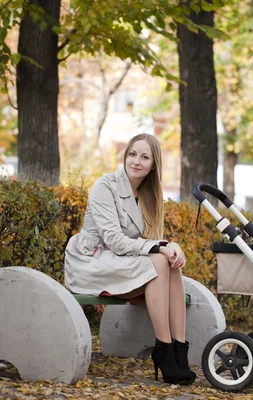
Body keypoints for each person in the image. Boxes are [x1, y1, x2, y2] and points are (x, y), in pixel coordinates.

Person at [64, 133, 195, 385]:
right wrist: (162, 247)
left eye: (144, 157)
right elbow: (114, 241)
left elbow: (150, 239)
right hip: (92, 260)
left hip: (118, 261)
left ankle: (179, 352)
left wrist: (171, 246)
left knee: (169, 263)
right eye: (133, 154)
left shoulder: (149, 195)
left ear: (154, 164)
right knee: (159, 259)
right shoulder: (106, 185)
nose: (136, 161)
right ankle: (164, 351)